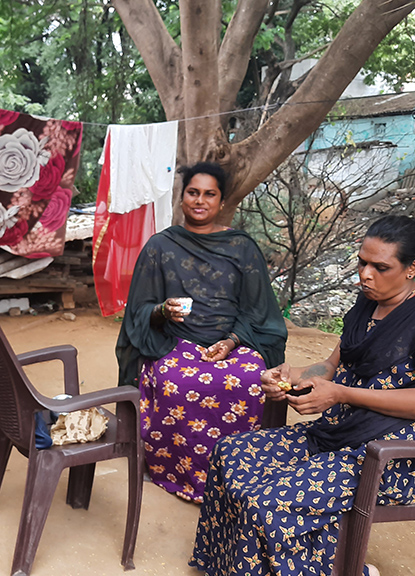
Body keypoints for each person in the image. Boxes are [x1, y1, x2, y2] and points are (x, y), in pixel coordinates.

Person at [190, 215, 415, 576]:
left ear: (413, 268)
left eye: (380, 267)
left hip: (396, 455)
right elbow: (329, 367)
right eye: (362, 262)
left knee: (271, 500)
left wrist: (340, 394)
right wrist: (290, 376)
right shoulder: (367, 307)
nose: (365, 274)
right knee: (234, 453)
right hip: (345, 432)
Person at [115, 162, 287, 502]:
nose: (200, 200)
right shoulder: (160, 246)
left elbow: (256, 310)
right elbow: (137, 311)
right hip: (174, 342)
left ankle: (238, 476)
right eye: (193, 192)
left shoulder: (241, 246)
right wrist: (162, 311)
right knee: (174, 381)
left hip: (235, 341)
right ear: (182, 198)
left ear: (221, 202)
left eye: (210, 194)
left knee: (251, 378)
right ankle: (175, 470)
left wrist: (231, 341)